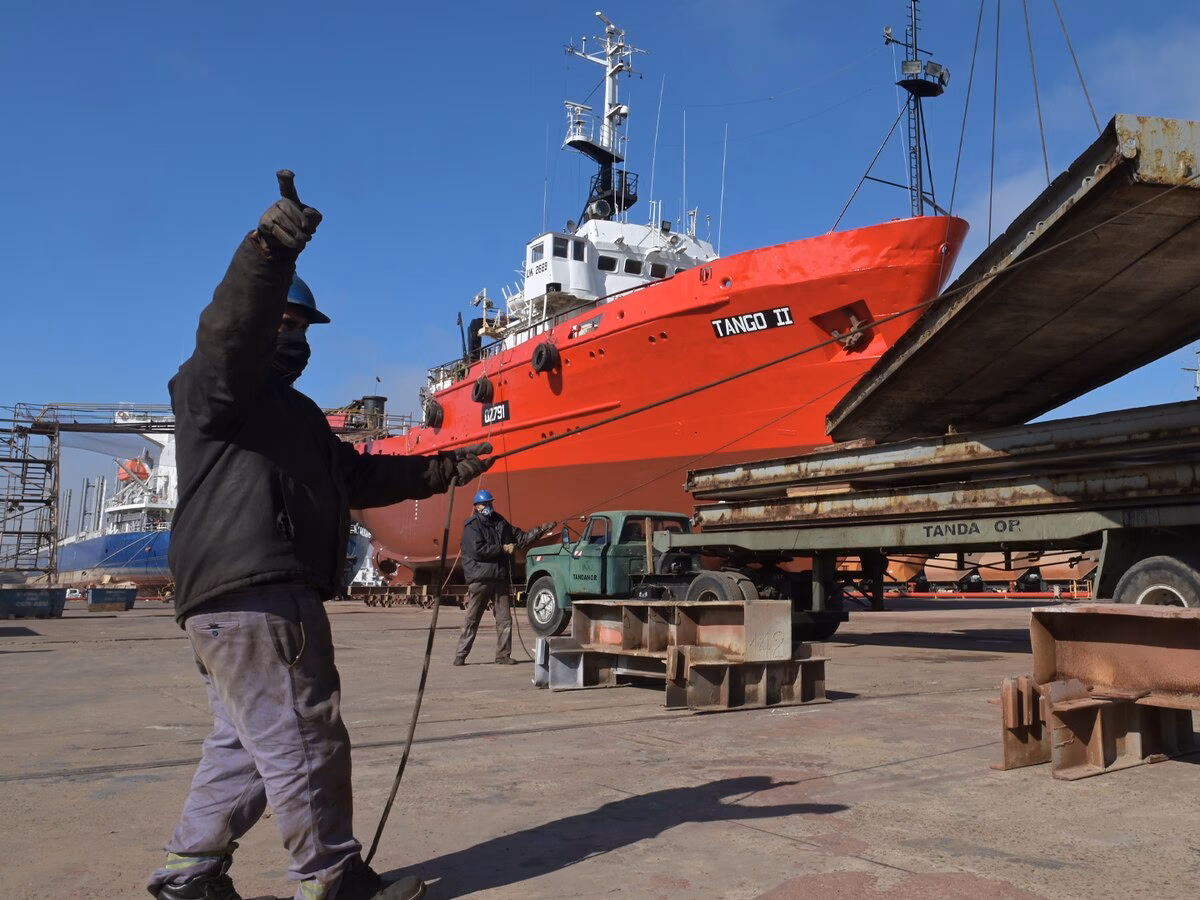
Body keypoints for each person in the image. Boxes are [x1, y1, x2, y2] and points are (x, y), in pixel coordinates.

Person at [147, 171, 493, 900]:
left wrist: (442, 470)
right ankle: (331, 882)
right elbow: (230, 327)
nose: (297, 341)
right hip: (260, 596)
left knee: (245, 744)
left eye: (305, 331)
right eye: (288, 326)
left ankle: (189, 872)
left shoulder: (296, 417)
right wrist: (269, 250)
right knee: (305, 736)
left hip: (227, 603)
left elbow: (357, 479)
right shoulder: (217, 386)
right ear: (265, 322)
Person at [453, 490, 553, 666]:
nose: (488, 507)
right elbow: (478, 551)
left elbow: (520, 539)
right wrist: (502, 549)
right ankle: (461, 654)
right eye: (484, 504)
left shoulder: (499, 522)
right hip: (480, 578)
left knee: (505, 619)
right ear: (476, 506)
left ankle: (503, 655)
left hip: (500, 577)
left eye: (490, 503)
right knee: (472, 618)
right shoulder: (472, 526)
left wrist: (541, 530)